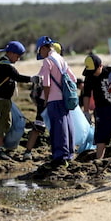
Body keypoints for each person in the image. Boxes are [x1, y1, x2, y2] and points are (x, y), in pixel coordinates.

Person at [0, 41, 40, 160]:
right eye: (17, 56)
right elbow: (17, 77)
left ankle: (5, 147)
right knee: (2, 124)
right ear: (10, 53)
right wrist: (32, 79)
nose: (18, 59)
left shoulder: (1, 63)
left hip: (3, 100)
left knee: (11, 122)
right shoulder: (5, 66)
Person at [36, 36, 76, 168]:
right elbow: (73, 78)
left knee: (58, 128)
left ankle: (60, 156)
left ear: (43, 48)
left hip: (54, 99)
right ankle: (69, 153)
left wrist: (46, 100)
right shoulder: (61, 59)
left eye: (39, 50)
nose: (40, 53)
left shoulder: (47, 61)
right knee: (67, 124)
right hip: (64, 98)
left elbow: (46, 84)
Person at [82, 54, 111, 159]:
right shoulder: (89, 76)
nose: (93, 73)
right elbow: (86, 94)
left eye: (94, 70)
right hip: (101, 109)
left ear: (100, 66)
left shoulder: (110, 71)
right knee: (101, 137)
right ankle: (99, 159)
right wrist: (86, 112)